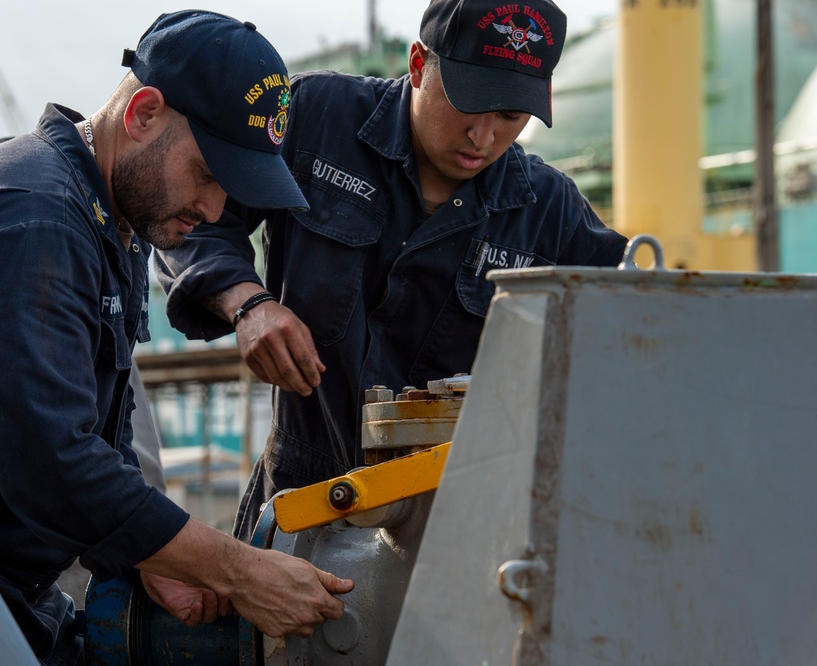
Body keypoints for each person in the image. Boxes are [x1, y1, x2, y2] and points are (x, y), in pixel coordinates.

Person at [0, 10, 353, 665]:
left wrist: (146, 556)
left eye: (233, 193)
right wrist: (238, 570)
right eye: (207, 174)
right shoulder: (31, 217)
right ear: (143, 112)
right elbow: (52, 461)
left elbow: (95, 440)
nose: (214, 212)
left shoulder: (111, 218)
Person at [153, 0, 630, 541]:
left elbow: (634, 327)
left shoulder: (549, 212)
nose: (483, 137)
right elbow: (192, 218)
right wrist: (247, 303)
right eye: (469, 105)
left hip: (452, 530)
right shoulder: (316, 119)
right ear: (419, 65)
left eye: (510, 117)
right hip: (298, 506)